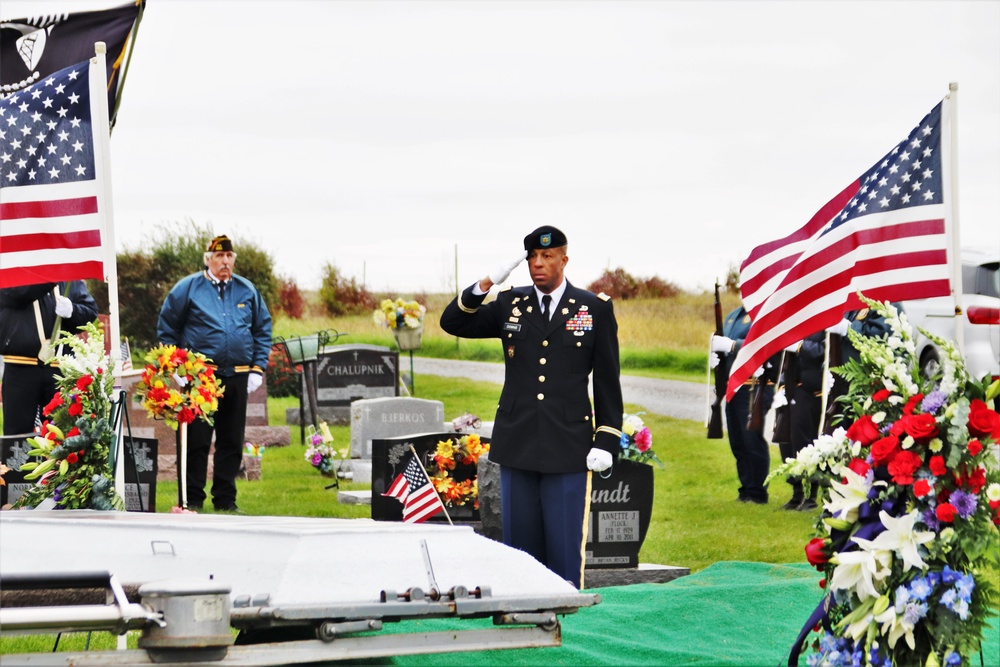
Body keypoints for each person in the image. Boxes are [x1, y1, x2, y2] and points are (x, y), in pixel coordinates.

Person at [440, 226, 623, 589]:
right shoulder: (511, 302)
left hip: (567, 444)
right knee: (520, 552)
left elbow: (606, 380)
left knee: (564, 551)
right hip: (518, 442)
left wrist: (606, 439)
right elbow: (453, 322)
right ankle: (523, 623)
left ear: (564, 260)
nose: (538, 264)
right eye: (532, 258)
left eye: (547, 257)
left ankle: (568, 621)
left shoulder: (592, 308)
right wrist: (489, 281)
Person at [157, 235, 272, 513]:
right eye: (219, 256)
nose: (225, 261)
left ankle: (225, 500)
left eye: (229, 256)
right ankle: (192, 499)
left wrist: (257, 369)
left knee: (231, 440)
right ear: (207, 259)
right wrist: (176, 367)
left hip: (238, 377)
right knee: (196, 441)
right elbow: (167, 328)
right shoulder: (188, 288)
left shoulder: (247, 290)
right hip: (201, 379)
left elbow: (262, 330)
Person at [0, 282, 98, 436]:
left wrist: (73, 310)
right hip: (20, 366)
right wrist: (50, 278)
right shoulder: (16, 269)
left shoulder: (69, 280)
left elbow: (90, 311)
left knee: (61, 430)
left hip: (58, 368)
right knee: (17, 434)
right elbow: (17, 293)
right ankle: (16, 461)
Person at [710, 305, 775, 505]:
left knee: (751, 440)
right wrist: (717, 357)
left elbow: (764, 344)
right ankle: (746, 489)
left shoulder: (766, 312)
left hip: (754, 385)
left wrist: (731, 346)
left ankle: (757, 492)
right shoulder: (733, 315)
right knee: (738, 442)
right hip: (733, 386)